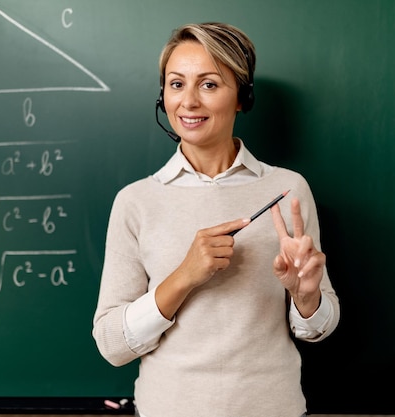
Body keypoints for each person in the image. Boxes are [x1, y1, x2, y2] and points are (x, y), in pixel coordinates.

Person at [92, 22, 340, 417]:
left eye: (208, 85)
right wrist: (185, 275)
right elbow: (112, 345)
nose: (188, 101)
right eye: (176, 84)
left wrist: (306, 296)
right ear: (163, 96)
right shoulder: (136, 201)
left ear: (242, 96)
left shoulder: (288, 190)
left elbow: (317, 327)